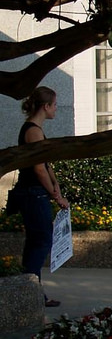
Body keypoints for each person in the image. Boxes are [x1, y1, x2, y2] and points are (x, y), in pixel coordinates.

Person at [7, 86, 69, 307]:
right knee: (41, 242)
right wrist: (55, 196)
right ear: (46, 106)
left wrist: (57, 189)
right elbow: (39, 168)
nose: (56, 109)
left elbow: (47, 165)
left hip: (37, 194)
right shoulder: (33, 131)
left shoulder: (37, 130)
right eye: (54, 105)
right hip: (33, 194)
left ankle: (31, 292)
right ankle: (29, 292)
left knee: (37, 242)